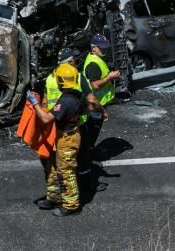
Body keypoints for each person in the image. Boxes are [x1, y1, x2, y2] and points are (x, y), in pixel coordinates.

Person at [30, 63, 86, 217]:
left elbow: (46, 118)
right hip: (64, 135)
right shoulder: (77, 94)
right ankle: (54, 197)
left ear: (61, 81)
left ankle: (71, 205)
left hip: (67, 139)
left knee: (66, 171)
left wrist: (35, 103)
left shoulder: (66, 100)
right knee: (54, 167)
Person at [80, 34, 120, 164]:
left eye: (106, 47)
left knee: (93, 130)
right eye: (102, 48)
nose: (105, 50)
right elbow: (95, 85)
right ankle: (88, 155)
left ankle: (89, 151)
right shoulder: (93, 64)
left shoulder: (96, 59)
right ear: (94, 48)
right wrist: (110, 77)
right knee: (92, 130)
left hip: (97, 103)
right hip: (95, 105)